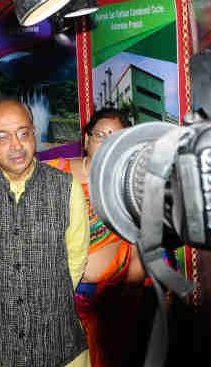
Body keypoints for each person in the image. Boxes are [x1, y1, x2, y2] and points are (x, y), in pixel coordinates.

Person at [0, 99, 90, 367]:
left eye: (23, 133)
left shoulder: (66, 188)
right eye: (3, 137)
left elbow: (76, 257)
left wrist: (47, 295)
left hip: (58, 345)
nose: (17, 145)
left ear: (34, 133)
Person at [46, 108, 146, 367]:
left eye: (118, 138)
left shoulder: (131, 188)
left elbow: (139, 246)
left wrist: (128, 299)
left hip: (108, 308)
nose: (108, 144)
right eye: (101, 135)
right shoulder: (54, 172)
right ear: (86, 139)